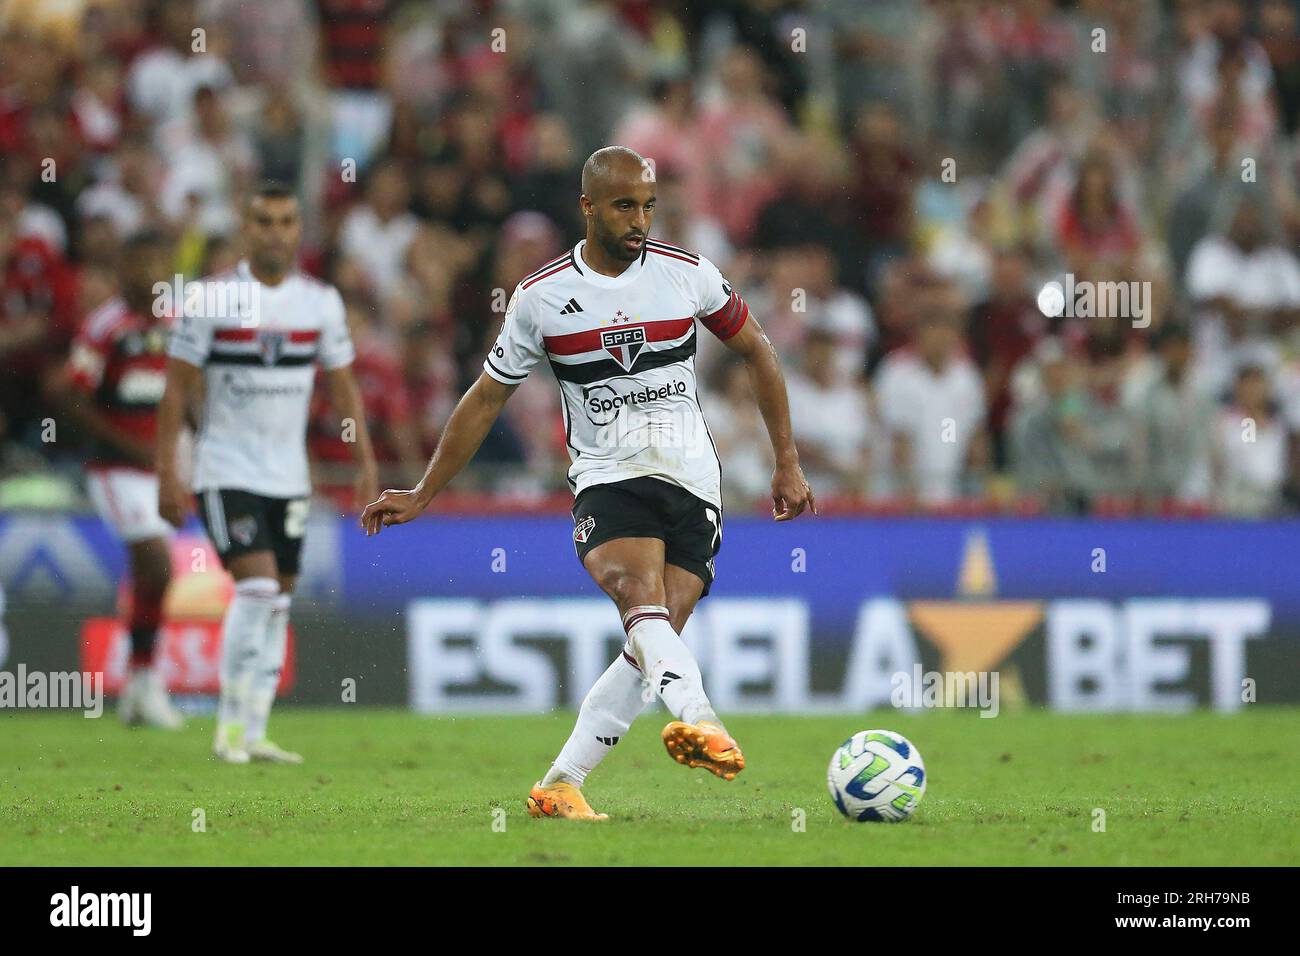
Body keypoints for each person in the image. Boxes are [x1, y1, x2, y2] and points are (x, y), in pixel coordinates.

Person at [361, 146, 816, 819]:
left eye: (648, 206)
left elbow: (757, 350)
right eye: (624, 205)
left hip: (692, 477)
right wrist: (425, 490)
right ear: (589, 207)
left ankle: (560, 783)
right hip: (608, 476)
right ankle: (703, 717)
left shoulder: (688, 275)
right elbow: (486, 398)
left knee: (655, 634)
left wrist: (787, 459)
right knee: (639, 595)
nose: (639, 220)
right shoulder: (541, 298)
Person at [155, 182, 379, 764]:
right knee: (254, 589)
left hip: (289, 477)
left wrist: (364, 461)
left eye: (285, 221)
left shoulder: (320, 302)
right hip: (224, 469)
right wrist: (166, 473)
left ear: (298, 229)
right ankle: (227, 730)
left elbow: (343, 385)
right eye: (263, 221)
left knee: (278, 601)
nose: (275, 232)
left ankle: (254, 732)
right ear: (245, 229)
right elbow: (175, 390)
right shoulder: (208, 300)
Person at [50, 229, 183, 728]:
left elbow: (184, 392)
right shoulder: (106, 326)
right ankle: (144, 682)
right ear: (124, 270)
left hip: (159, 470)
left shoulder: (176, 323)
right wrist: (129, 444)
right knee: (157, 563)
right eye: (140, 263)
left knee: (152, 575)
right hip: (113, 468)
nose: (150, 274)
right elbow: (66, 394)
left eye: (159, 261)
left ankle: (139, 689)